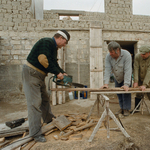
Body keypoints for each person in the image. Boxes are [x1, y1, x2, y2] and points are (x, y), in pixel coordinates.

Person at [22, 30, 70, 142]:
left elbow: (53, 62)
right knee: (34, 103)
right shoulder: (47, 42)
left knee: (44, 98)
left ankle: (49, 119)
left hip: (40, 75)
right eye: (65, 42)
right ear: (61, 38)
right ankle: (35, 133)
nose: (64, 45)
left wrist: (62, 72)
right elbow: (43, 59)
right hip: (32, 73)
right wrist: (57, 73)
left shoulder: (53, 48)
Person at [100, 41, 132, 116]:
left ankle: (126, 109)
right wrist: (106, 83)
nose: (110, 54)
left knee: (126, 93)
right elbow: (107, 70)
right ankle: (122, 108)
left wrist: (126, 84)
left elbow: (128, 70)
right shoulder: (108, 57)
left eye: (111, 52)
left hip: (126, 77)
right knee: (119, 94)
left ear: (117, 50)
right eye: (109, 52)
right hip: (117, 77)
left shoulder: (126, 55)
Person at [133, 45, 150, 111]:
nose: (142, 55)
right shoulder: (137, 56)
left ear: (149, 53)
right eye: (141, 54)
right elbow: (136, 68)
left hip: (149, 79)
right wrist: (136, 81)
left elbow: (149, 71)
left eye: (144, 54)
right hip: (140, 78)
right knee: (138, 94)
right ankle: (136, 109)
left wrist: (145, 84)